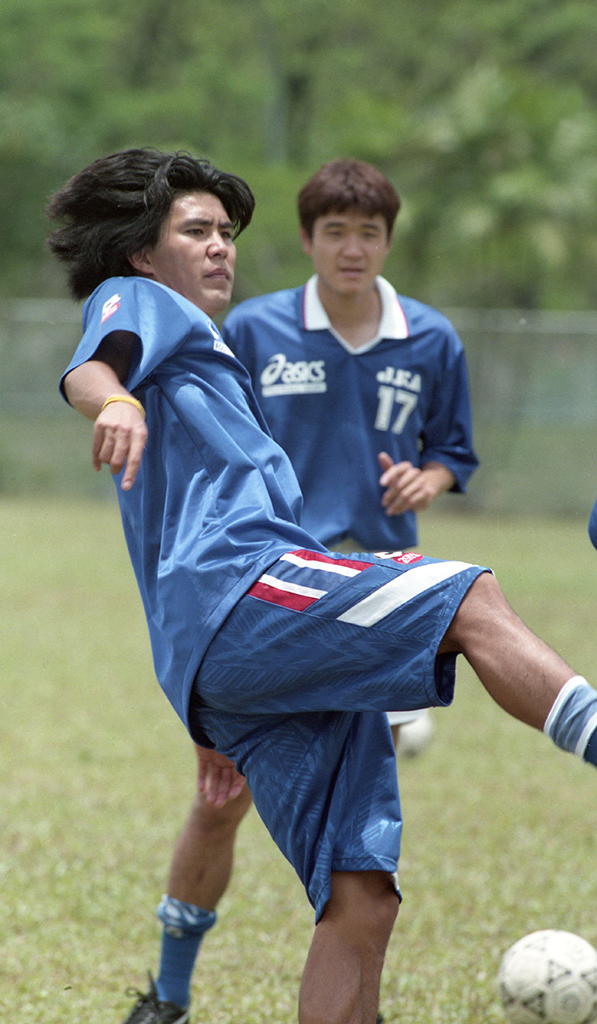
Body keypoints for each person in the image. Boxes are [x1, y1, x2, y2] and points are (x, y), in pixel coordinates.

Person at [49, 148, 597, 1024]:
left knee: (360, 895)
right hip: (243, 593)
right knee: (467, 596)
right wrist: (111, 401)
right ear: (142, 252)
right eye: (196, 231)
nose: (220, 246)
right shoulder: (142, 298)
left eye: (226, 232)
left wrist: (218, 699)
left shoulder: (210, 347)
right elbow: (93, 366)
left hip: (240, 651)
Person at [118, 157, 481, 1024]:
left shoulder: (431, 339)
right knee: (219, 802)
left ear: (388, 242)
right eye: (334, 233)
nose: (352, 249)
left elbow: (452, 452)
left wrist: (428, 480)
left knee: (357, 828)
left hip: (375, 594)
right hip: (267, 591)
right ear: (309, 240)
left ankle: (351, 997)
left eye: (368, 234)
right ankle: (167, 995)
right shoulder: (253, 328)